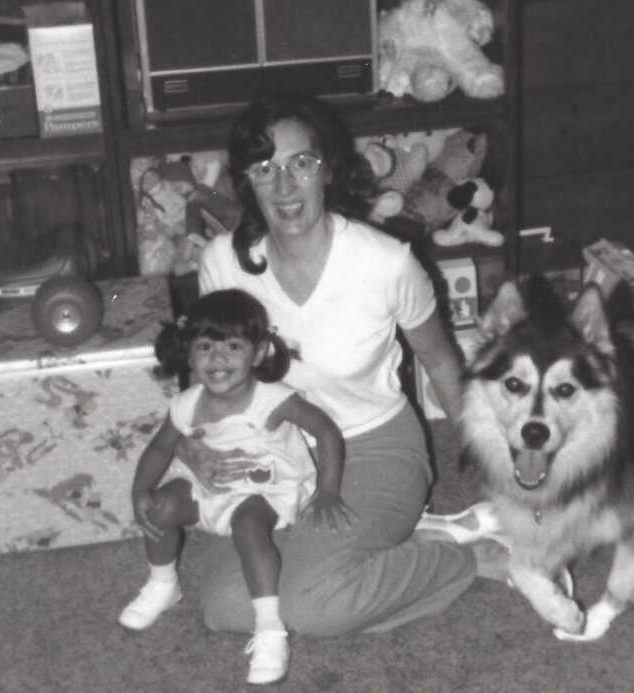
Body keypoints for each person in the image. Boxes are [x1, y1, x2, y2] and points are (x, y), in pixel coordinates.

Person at [195, 92, 504, 640]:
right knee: (225, 607)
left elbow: (439, 359)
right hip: (269, 450)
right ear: (246, 179)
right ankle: (373, 557)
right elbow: (211, 377)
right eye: (266, 169)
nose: (286, 187)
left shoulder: (385, 263)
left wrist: (492, 463)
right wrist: (195, 448)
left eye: (301, 164)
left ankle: (465, 561)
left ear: (327, 170)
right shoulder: (222, 264)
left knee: (312, 606)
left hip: (374, 447)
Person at [117, 288, 352, 685]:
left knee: (247, 525)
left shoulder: (274, 400)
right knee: (158, 508)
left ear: (258, 354)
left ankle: (270, 628)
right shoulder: (186, 405)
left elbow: (327, 433)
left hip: (269, 489)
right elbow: (160, 449)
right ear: (189, 353)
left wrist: (328, 490)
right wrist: (140, 490)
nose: (218, 358)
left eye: (233, 346)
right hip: (211, 485)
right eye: (205, 346)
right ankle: (163, 583)